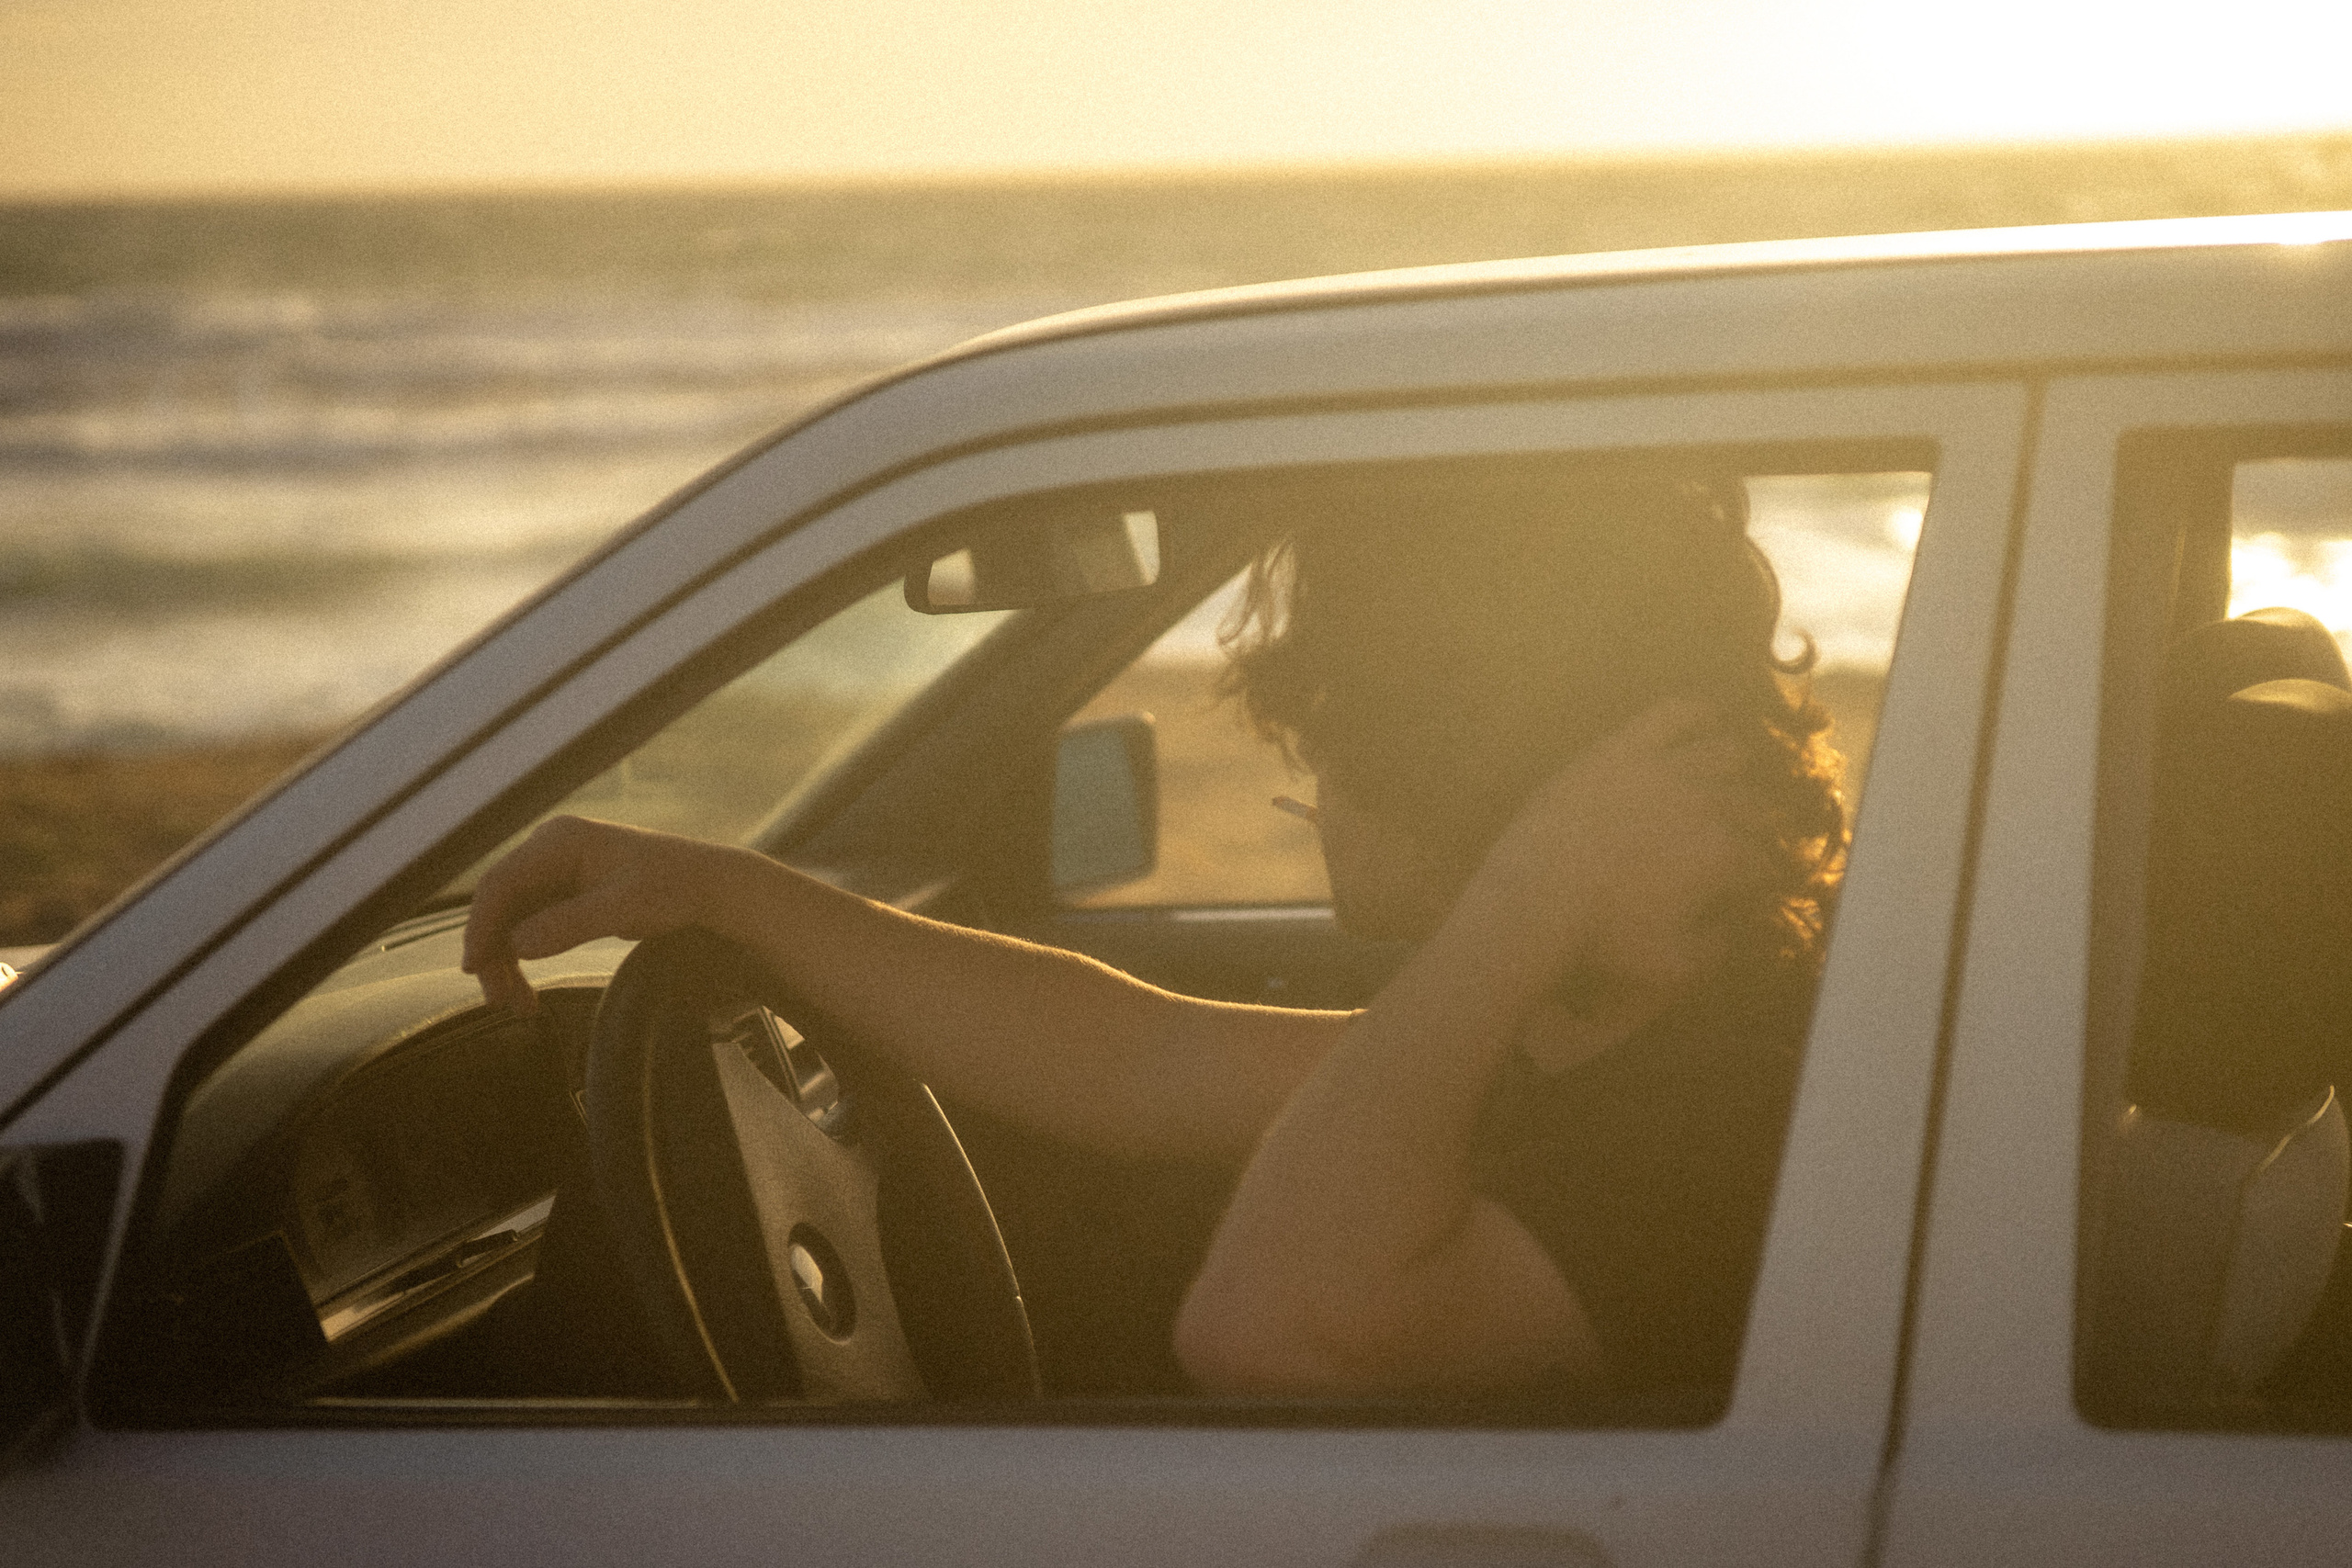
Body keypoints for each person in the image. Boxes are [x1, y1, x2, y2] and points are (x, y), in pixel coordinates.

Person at [462, 464, 1848, 1402]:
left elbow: (1264, 1332)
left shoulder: (1726, 1107)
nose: (1307, 782)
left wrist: (1528, 885)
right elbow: (1141, 1059)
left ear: (1448, 753)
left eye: (1335, 731)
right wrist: (726, 893)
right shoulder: (1611, 1036)